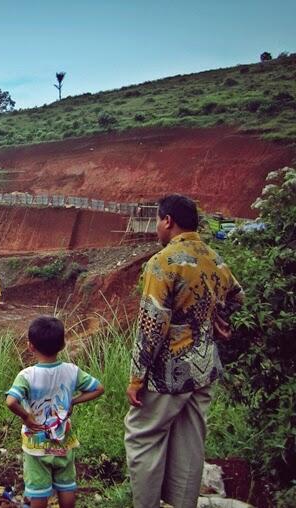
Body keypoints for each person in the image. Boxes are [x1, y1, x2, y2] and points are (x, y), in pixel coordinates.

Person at [124, 194, 244, 508]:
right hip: (205, 368)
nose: (156, 227)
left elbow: (152, 325)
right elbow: (237, 296)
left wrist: (137, 378)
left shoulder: (163, 262)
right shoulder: (213, 257)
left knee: (142, 436)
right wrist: (219, 319)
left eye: (158, 220)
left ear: (168, 221)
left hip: (169, 373)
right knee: (190, 441)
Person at [6, 316, 104, 508]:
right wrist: (72, 401)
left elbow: (11, 401)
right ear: (63, 345)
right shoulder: (71, 371)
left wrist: (26, 416)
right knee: (66, 486)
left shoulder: (27, 375)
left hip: (36, 445)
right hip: (63, 441)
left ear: (30, 346)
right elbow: (98, 388)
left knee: (38, 490)